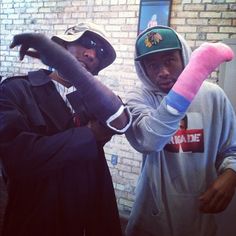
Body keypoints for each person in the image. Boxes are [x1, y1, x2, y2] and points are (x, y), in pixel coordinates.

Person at [0, 22, 131, 236]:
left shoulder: (96, 100)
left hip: (88, 214)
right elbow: (18, 159)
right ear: (61, 46)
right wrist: (89, 135)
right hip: (37, 217)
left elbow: (122, 121)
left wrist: (67, 64)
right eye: (85, 44)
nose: (91, 54)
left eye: (99, 53)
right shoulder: (16, 89)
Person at [125, 25, 236, 236]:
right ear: (143, 69)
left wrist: (232, 174)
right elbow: (149, 140)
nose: (163, 72)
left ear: (183, 56)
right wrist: (194, 75)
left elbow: (232, 148)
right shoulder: (138, 98)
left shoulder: (213, 96)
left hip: (202, 210)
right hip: (152, 215)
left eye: (169, 61)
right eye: (153, 65)